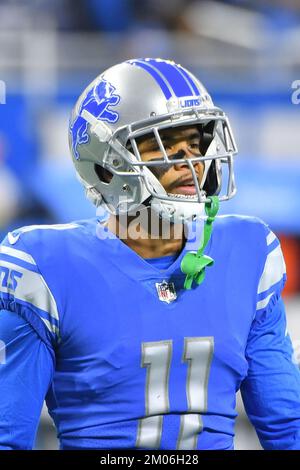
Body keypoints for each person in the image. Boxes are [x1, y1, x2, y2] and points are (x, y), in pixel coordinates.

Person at [0, 58, 300, 451]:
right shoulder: (46, 267)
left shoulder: (247, 251)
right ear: (107, 169)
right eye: (163, 147)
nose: (191, 163)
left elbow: (288, 428)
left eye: (194, 144)